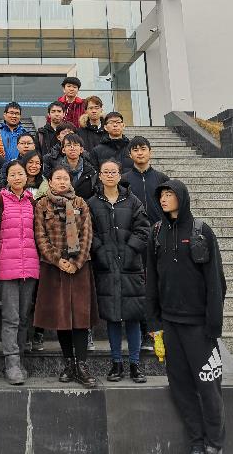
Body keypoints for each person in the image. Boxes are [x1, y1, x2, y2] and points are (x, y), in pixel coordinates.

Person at [147, 181, 227, 454]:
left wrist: (213, 324)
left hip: (199, 326)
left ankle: (214, 443)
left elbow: (216, 281)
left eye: (169, 194)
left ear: (182, 197)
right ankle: (196, 442)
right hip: (170, 324)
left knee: (208, 386)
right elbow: (151, 279)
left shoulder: (201, 231)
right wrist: (154, 322)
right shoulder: (156, 232)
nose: (164, 199)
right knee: (180, 387)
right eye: (162, 195)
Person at [33, 166, 98, 387]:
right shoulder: (42, 204)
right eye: (57, 178)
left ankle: (82, 365)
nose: (62, 182)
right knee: (61, 317)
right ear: (50, 182)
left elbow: (87, 234)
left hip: (79, 267)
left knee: (80, 317)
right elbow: (40, 236)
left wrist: (76, 262)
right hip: (54, 268)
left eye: (65, 178)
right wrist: (57, 260)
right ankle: (69, 363)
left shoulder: (81, 203)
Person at [88, 159, 149, 384]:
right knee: (112, 317)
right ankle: (116, 363)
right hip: (105, 267)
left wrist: (130, 251)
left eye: (113, 172)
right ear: (100, 175)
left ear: (120, 175)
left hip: (130, 267)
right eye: (106, 172)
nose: (110, 175)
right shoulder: (92, 203)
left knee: (133, 317)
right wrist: (100, 252)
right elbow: (89, 232)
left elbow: (143, 229)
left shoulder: (133, 201)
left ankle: (135, 364)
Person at [121, 136, 169, 352]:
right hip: (134, 240)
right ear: (129, 154)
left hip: (160, 238)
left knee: (158, 285)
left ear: (150, 152)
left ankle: (159, 330)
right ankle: (143, 331)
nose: (140, 153)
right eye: (135, 150)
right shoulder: (124, 180)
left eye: (143, 149)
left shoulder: (162, 179)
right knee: (138, 287)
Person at [0, 160, 40, 385]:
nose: (17, 178)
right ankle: (11, 363)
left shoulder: (33, 202)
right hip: (7, 266)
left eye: (20, 174)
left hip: (29, 266)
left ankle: (20, 357)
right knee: (11, 317)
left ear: (26, 177)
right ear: (7, 177)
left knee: (24, 317)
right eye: (12, 174)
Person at [57, 133, 97, 201]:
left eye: (75, 145)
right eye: (68, 145)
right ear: (63, 150)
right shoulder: (57, 171)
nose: (72, 148)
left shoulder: (91, 172)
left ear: (81, 149)